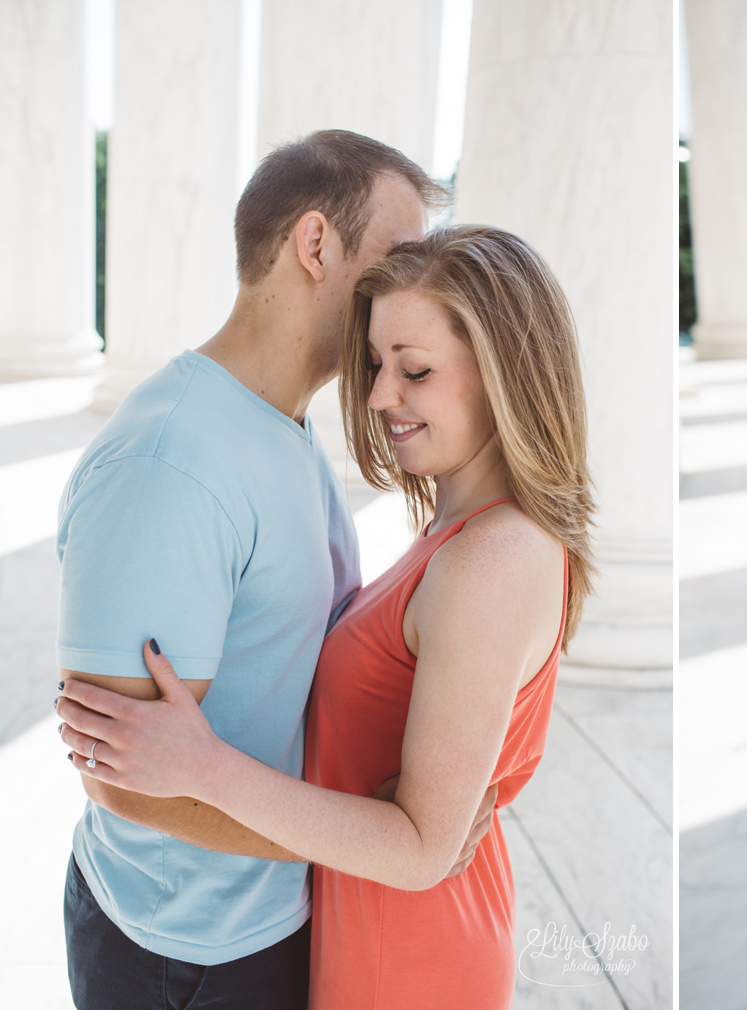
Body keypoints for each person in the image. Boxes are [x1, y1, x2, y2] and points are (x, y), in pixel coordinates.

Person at [59, 224, 596, 1009]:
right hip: (360, 920)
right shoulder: (460, 533)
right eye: (377, 365)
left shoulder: (494, 559)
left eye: (415, 371)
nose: (380, 397)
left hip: (410, 949)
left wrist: (202, 766)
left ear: (503, 376)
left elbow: (420, 850)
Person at [48, 130, 478, 1010]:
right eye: (397, 258)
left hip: (265, 918)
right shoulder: (173, 464)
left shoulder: (281, 422)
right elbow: (121, 777)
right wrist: (376, 842)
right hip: (182, 952)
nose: (412, 289)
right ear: (315, 244)